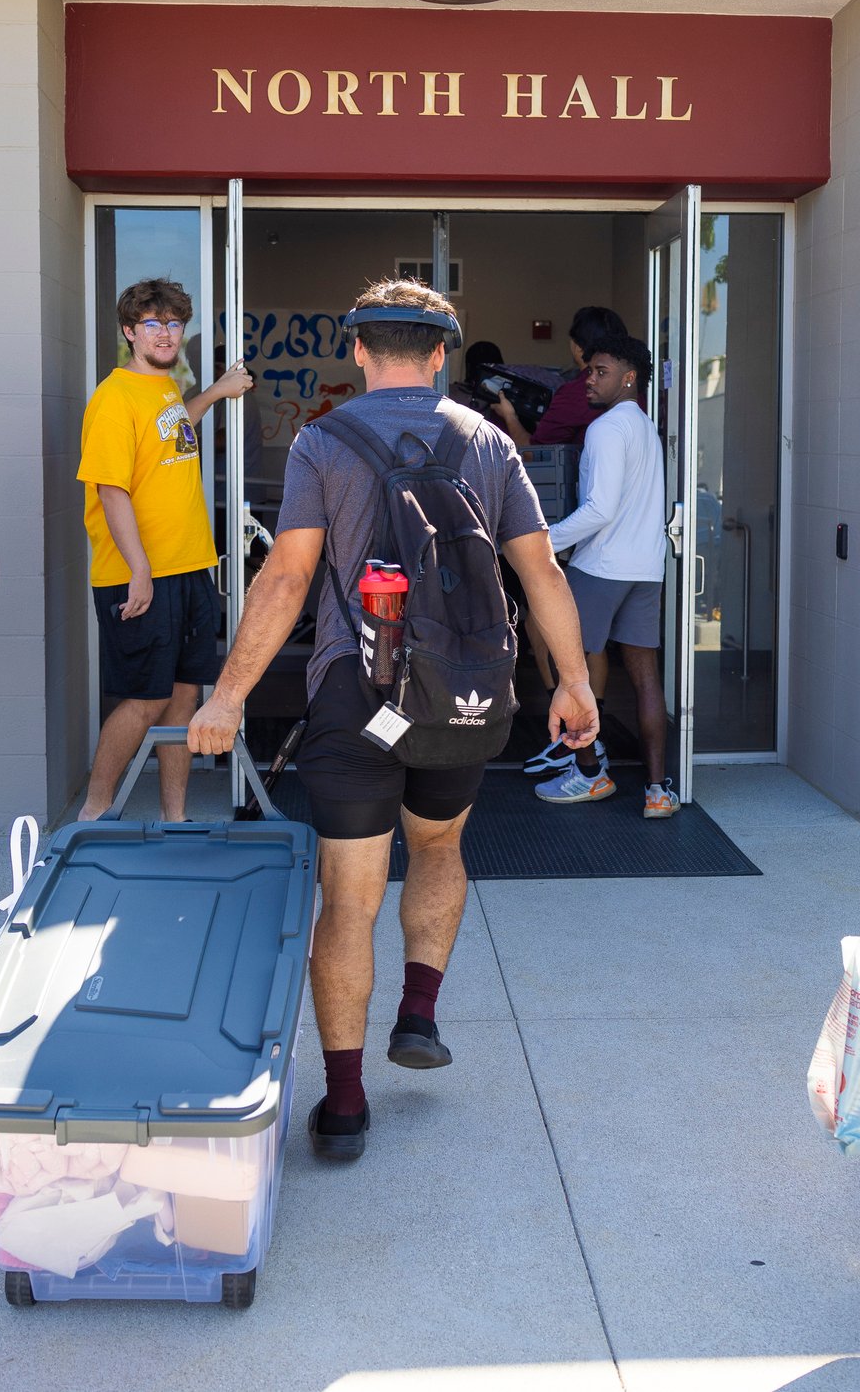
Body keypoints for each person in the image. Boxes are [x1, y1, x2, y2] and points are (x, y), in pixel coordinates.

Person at [188, 278, 598, 1163]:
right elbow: (543, 573)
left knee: (350, 896)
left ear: (362, 351)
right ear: (442, 355)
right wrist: (573, 682)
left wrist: (228, 696)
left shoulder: (322, 440)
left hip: (355, 697)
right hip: (466, 696)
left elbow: (286, 578)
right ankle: (420, 1007)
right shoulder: (490, 441)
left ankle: (343, 1104)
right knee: (441, 847)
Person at [76, 278, 254, 820]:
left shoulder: (166, 388)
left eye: (174, 323)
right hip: (139, 573)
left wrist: (216, 393)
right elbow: (111, 491)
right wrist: (139, 570)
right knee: (145, 698)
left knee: (184, 698)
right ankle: (94, 810)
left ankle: (174, 817)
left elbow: (173, 434)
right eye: (152, 323)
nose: (165, 333)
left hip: (191, 565)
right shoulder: (113, 398)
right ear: (129, 331)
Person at [531, 337, 675, 817]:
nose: (588, 379)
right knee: (646, 679)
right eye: (589, 371)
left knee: (569, 668)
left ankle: (591, 775)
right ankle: (657, 792)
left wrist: (543, 539)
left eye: (600, 370)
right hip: (646, 570)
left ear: (629, 377)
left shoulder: (607, 429)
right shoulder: (645, 428)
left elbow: (599, 509)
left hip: (602, 567)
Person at [490, 305, 630, 447]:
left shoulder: (578, 392)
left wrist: (509, 416)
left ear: (578, 347)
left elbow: (535, 453)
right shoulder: (637, 387)